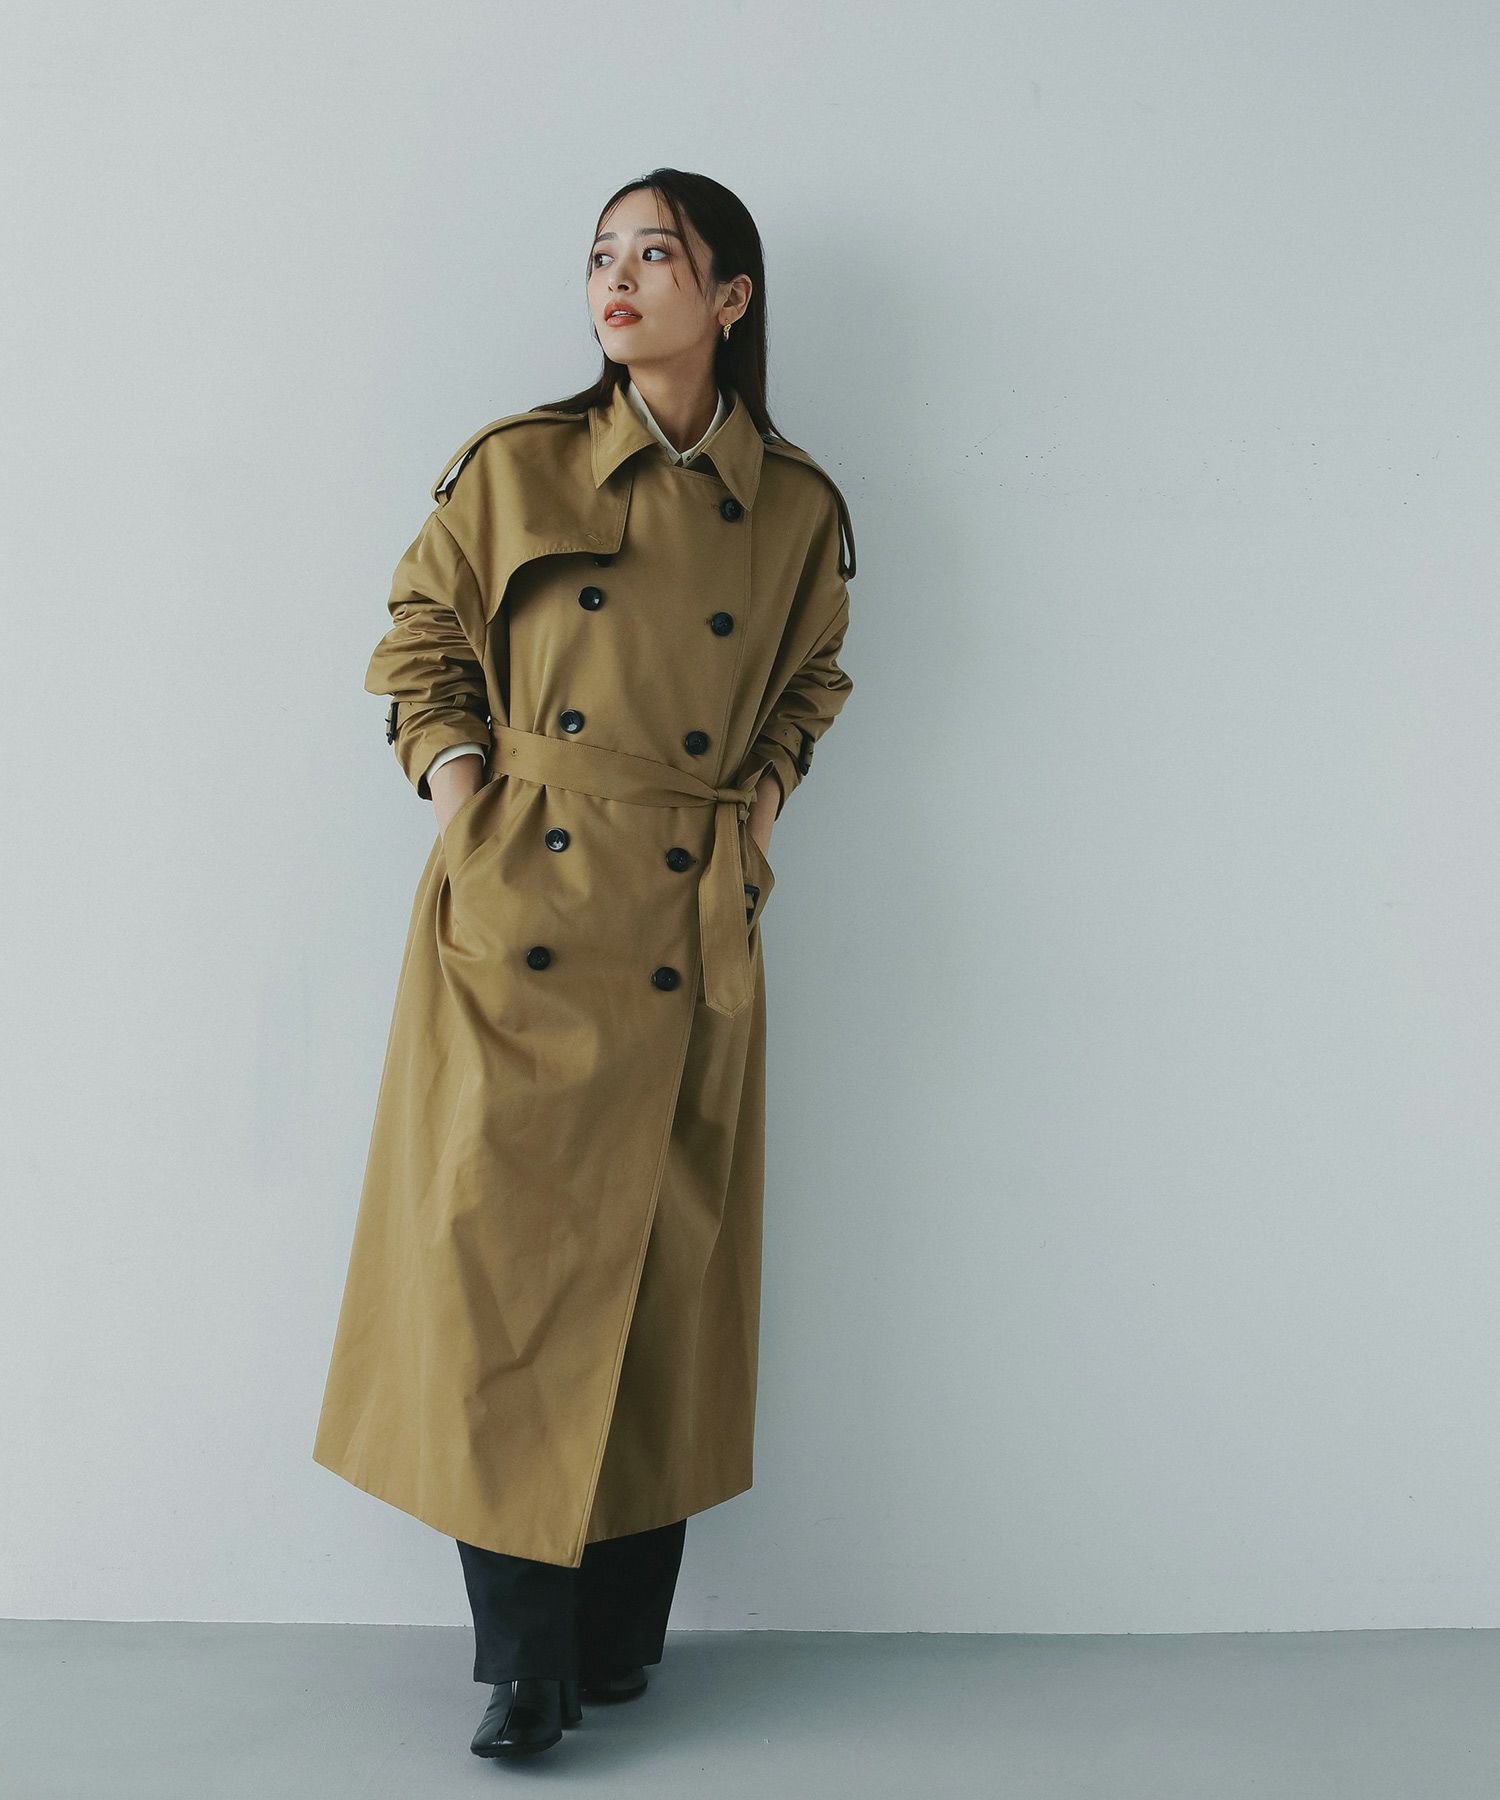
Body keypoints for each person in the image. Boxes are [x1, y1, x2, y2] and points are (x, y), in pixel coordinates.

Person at [312, 167, 858, 1760]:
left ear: (730, 299)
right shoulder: (521, 463)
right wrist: (468, 805)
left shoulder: (797, 507)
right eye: (602, 254)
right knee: (505, 1275)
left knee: (662, 1282)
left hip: (686, 920)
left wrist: (755, 819)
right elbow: (420, 640)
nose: (618, 279)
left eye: (657, 254)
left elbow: (811, 678)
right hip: (523, 912)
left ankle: (618, 1641)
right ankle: (524, 1662)